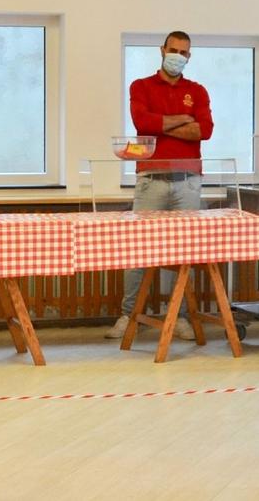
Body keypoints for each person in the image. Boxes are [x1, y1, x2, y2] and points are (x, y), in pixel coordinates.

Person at [105, 31, 214, 340]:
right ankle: (129, 316)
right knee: (138, 249)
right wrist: (183, 119)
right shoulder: (141, 86)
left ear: (189, 56)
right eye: (173, 50)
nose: (177, 56)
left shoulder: (197, 90)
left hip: (188, 182)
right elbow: (143, 123)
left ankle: (178, 316)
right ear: (162, 50)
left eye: (183, 52)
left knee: (183, 253)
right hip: (150, 179)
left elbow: (204, 130)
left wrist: (162, 124)